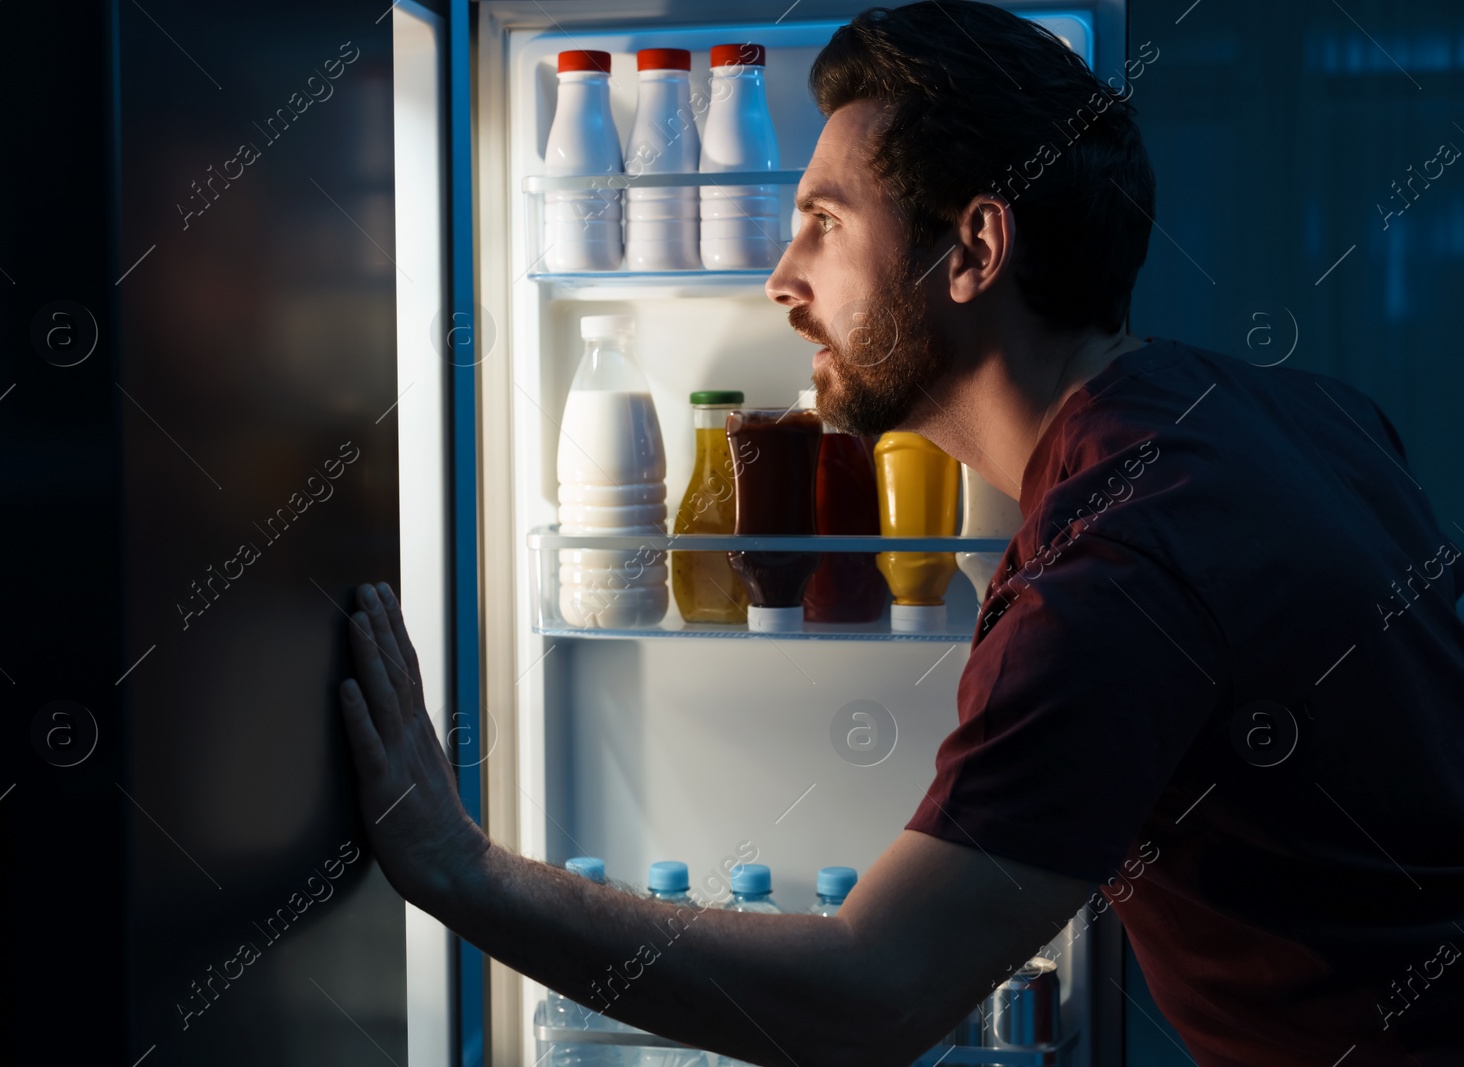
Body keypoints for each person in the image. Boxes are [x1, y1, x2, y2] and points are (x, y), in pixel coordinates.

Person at [338, 4, 1464, 1065]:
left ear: (974, 249)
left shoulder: (1116, 569)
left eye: (823, 223)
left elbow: (869, 992)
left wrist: (457, 866)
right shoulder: (1300, 413)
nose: (781, 278)